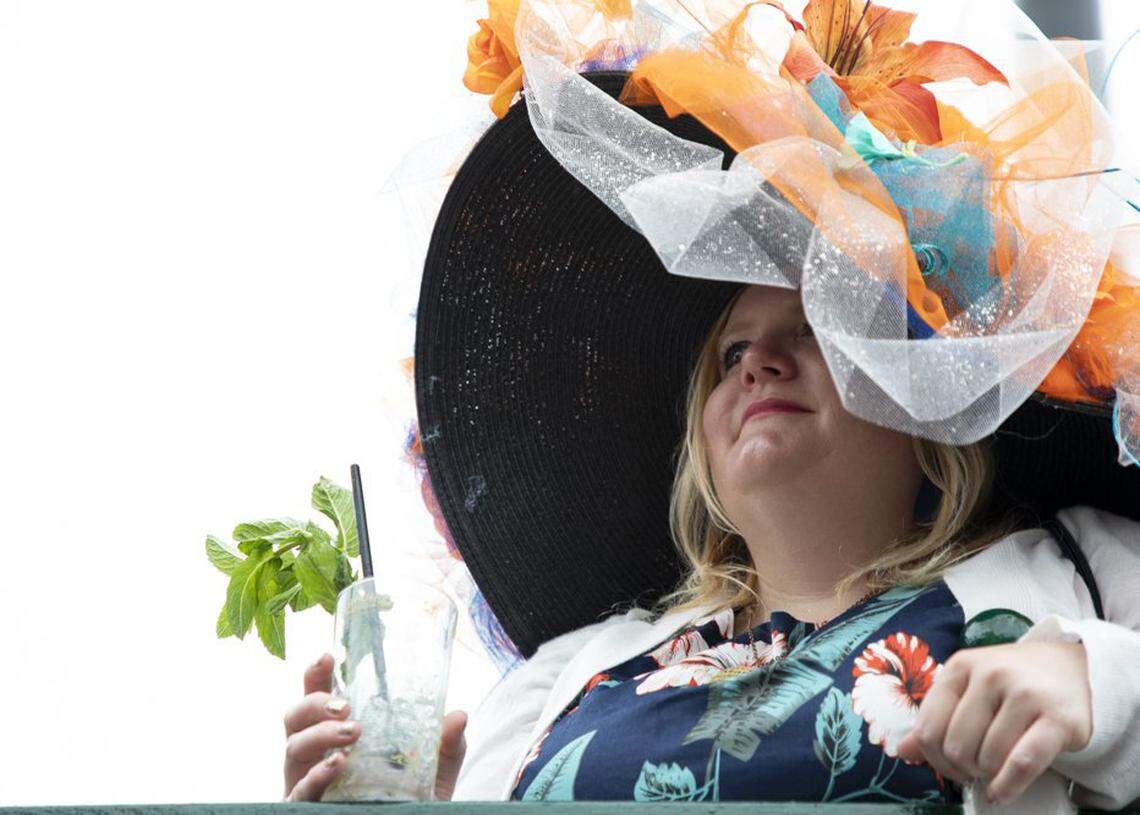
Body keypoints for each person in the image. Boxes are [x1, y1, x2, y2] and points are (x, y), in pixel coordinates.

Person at [282, 0, 1140, 809]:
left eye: (815, 330)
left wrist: (1102, 681)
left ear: (931, 393)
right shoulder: (566, 674)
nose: (760, 362)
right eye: (731, 352)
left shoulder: (1079, 569)